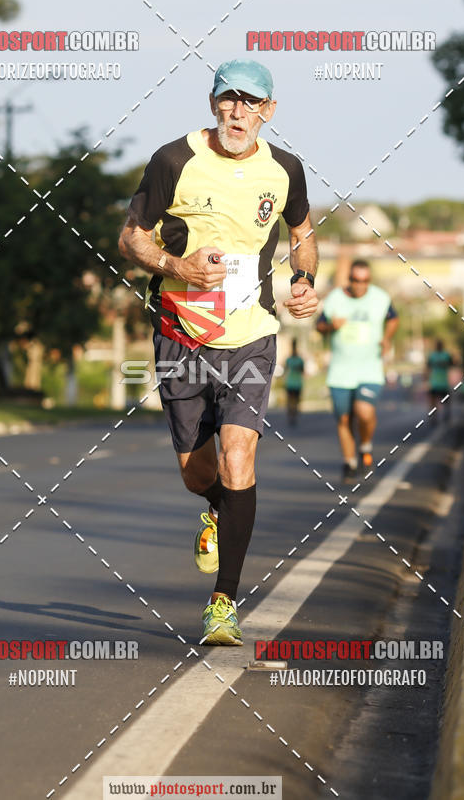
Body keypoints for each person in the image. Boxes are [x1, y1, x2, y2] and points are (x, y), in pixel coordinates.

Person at [118, 59, 318, 645]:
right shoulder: (173, 160)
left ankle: (223, 602)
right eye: (228, 99)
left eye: (251, 102)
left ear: (268, 111)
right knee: (198, 472)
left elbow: (303, 233)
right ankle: (215, 508)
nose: (238, 111)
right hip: (180, 332)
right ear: (212, 104)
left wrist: (304, 280)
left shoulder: (285, 169)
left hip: (251, 334)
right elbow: (131, 237)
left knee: (238, 457)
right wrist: (176, 266)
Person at [316, 260, 398, 484]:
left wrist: (387, 338)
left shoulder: (380, 298)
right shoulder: (335, 298)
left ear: (369, 281)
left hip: (369, 369)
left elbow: (393, 319)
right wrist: (331, 326)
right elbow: (319, 326)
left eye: (364, 280)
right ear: (349, 280)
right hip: (340, 372)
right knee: (344, 419)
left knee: (364, 412)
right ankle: (350, 463)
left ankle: (365, 445)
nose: (360, 285)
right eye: (355, 280)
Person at [426, 339, 454, 421]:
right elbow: (428, 366)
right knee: (434, 401)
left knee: (443, 401)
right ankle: (435, 416)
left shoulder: (444, 355)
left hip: (441, 383)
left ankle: (444, 415)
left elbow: (452, 363)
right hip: (436, 382)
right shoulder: (435, 355)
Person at [284, 338, 304, 424]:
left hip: (290, 382)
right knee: (296, 400)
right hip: (297, 382)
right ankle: (294, 413)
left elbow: (285, 370)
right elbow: (302, 370)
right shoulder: (300, 360)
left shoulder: (288, 360)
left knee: (290, 400)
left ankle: (291, 414)